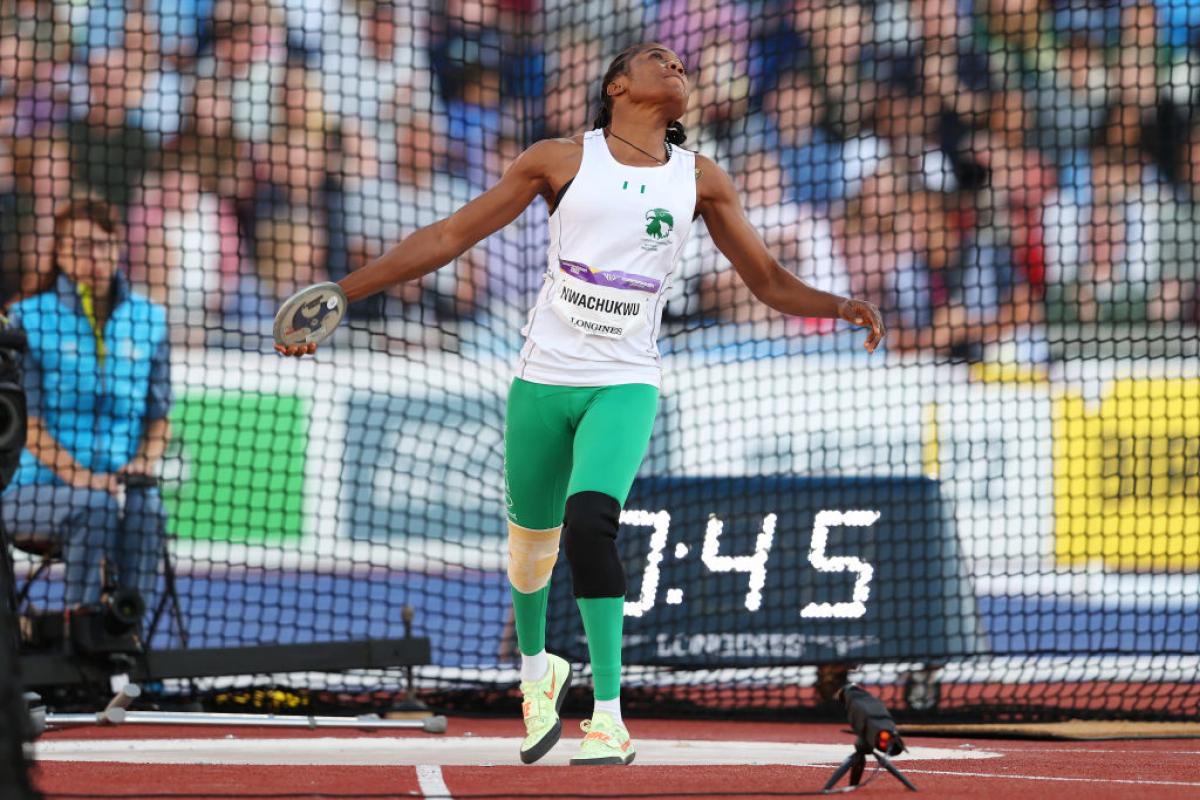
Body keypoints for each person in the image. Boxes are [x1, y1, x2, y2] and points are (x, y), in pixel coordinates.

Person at [277, 42, 885, 765]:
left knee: (590, 523)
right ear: (618, 84)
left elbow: (768, 280)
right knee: (528, 552)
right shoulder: (559, 160)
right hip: (542, 379)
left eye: (683, 63)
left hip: (624, 381)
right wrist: (341, 295)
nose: (678, 67)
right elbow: (447, 238)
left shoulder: (701, 179)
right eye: (660, 58)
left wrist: (839, 304)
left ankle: (609, 714)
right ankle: (538, 674)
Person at [1, 197, 171, 623]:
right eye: (79, 246)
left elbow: (158, 419)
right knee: (92, 507)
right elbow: (30, 427)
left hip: (116, 484)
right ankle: (83, 629)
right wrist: (83, 479)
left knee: (148, 507)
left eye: (101, 244)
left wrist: (140, 465)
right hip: (33, 491)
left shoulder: (150, 320)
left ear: (117, 247)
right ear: (59, 253)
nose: (92, 256)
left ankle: (127, 629)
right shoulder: (27, 319)